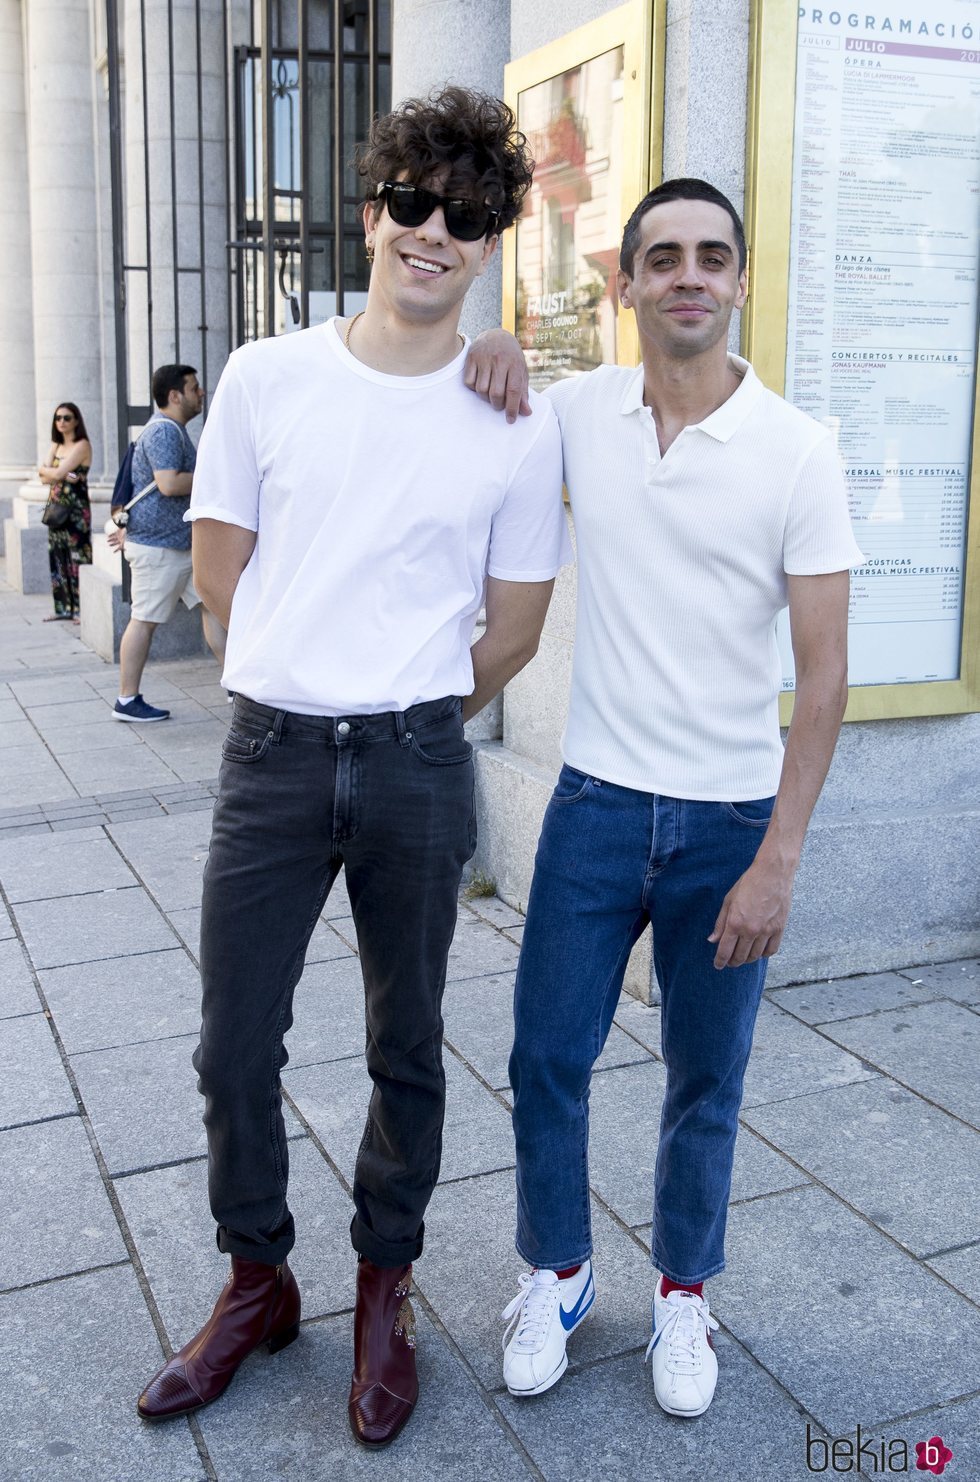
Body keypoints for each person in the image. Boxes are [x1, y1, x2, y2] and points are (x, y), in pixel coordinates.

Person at [135, 87, 569, 1447]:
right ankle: (257, 1276)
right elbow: (218, 573)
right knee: (231, 1042)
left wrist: (414, 709)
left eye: (468, 215)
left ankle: (387, 1284)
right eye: (414, 203)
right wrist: (313, 671)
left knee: (407, 1043)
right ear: (374, 208)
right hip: (270, 751)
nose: (434, 232)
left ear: (491, 241)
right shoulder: (268, 374)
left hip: (414, 761)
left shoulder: (515, 411)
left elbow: (514, 625)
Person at [467, 178, 863, 1418]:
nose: (687, 274)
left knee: (706, 1079)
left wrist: (779, 860)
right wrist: (488, 341)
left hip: (730, 822)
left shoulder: (798, 449)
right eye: (663, 258)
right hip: (593, 805)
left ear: (737, 281)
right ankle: (562, 1273)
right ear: (626, 284)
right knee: (544, 1058)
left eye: (710, 256)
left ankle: (684, 1297)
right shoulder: (579, 413)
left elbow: (822, 675)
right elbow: (481, 390)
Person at [108, 364, 226, 721]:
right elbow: (169, 484)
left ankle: (238, 684)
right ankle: (127, 700)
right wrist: (216, 474)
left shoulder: (173, 430)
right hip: (159, 549)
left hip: (178, 545)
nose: (201, 393)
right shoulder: (163, 432)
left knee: (214, 607)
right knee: (144, 620)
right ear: (175, 396)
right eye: (194, 387)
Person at [38, 403, 92, 622]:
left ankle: (81, 608)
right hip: (55, 509)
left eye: (67, 418)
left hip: (75, 511)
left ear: (76, 421)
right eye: (58, 418)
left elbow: (56, 472)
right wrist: (55, 473)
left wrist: (53, 473)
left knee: (78, 556)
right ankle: (62, 608)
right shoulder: (56, 445)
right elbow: (42, 475)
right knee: (57, 557)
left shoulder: (82, 445)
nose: (62, 422)